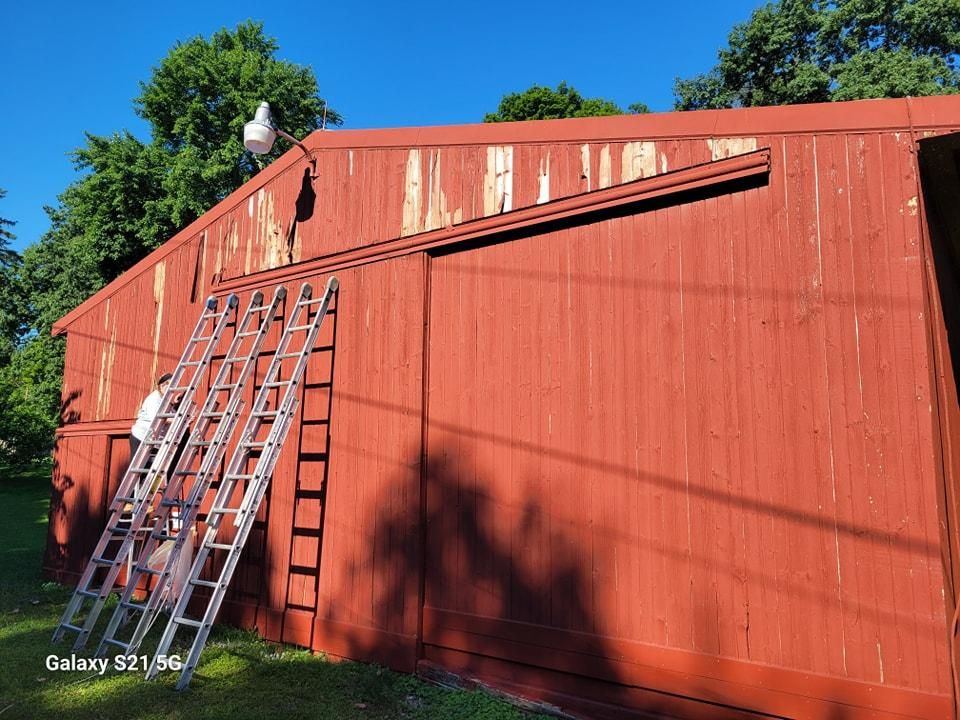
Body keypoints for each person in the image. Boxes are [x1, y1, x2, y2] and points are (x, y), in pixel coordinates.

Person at [130, 372, 173, 460]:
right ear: (162, 385)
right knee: (139, 467)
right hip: (141, 437)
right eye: (169, 385)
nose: (171, 389)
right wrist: (176, 420)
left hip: (152, 440)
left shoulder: (164, 400)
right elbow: (156, 418)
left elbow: (170, 413)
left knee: (149, 468)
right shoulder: (154, 398)